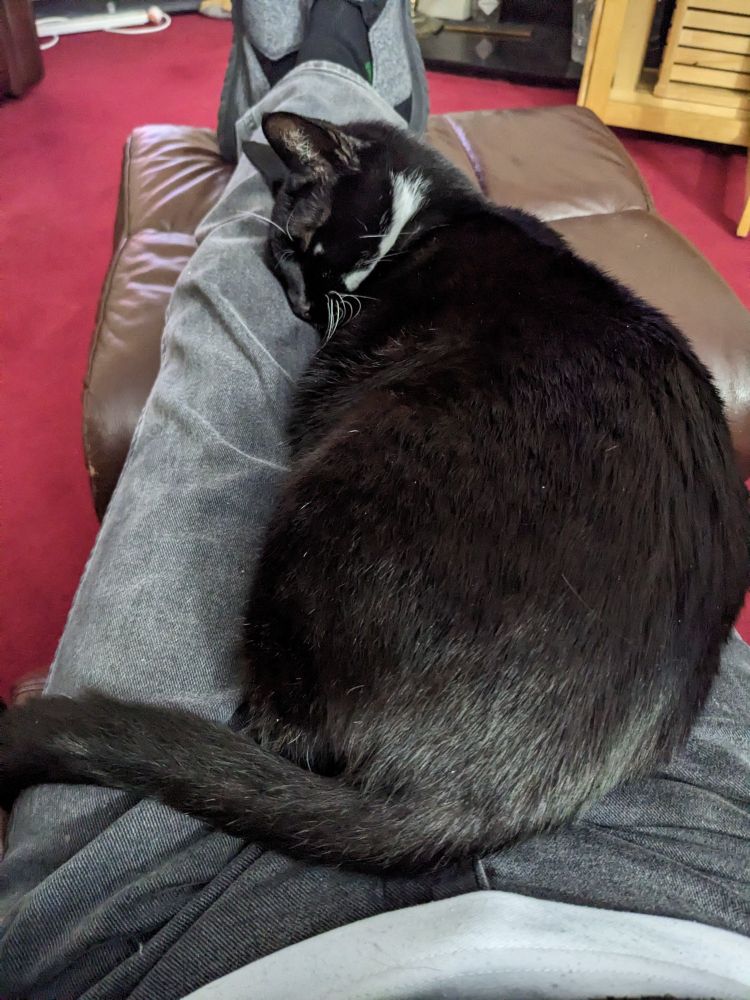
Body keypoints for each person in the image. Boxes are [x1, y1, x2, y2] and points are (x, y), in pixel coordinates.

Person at [0, 3, 748, 997]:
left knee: (237, 316)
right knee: (643, 543)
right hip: (690, 867)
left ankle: (313, 74)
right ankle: (338, 85)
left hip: (176, 921)